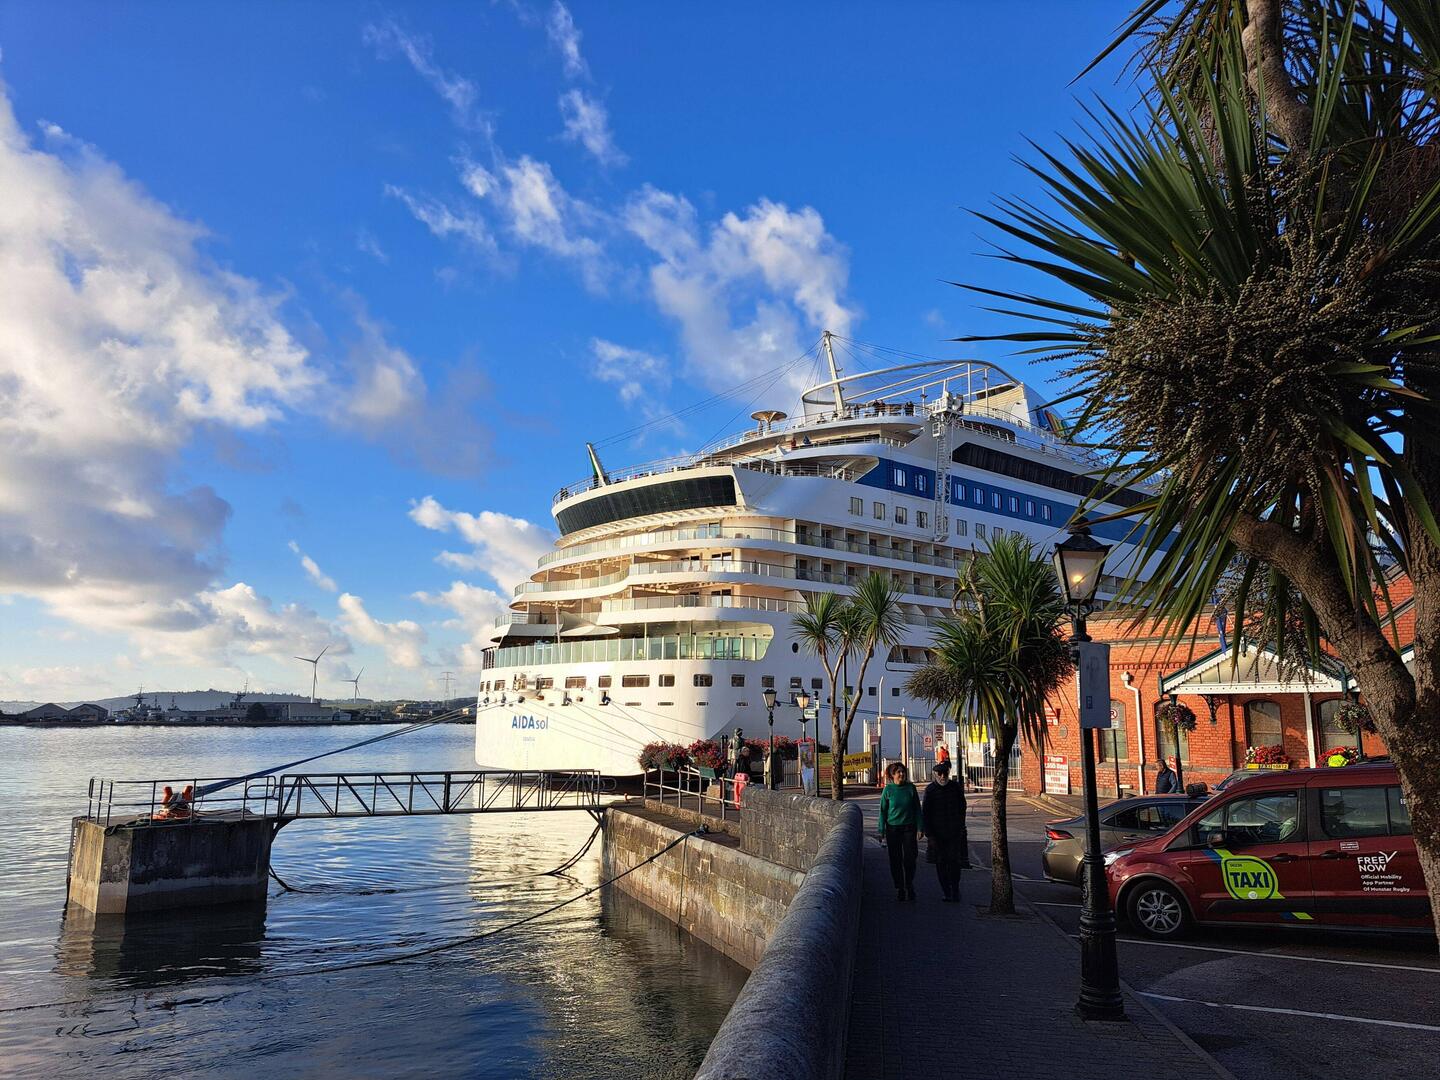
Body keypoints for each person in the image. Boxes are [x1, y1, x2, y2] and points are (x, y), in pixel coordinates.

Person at [923, 761, 969, 901]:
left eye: (945, 773)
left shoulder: (955, 787)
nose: (943, 776)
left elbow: (963, 806)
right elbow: (926, 812)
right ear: (935, 774)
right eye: (940, 773)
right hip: (937, 834)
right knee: (941, 862)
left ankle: (955, 889)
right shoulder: (930, 790)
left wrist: (961, 825)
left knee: (954, 862)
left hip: (954, 832)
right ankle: (946, 891)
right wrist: (929, 834)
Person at [877, 762, 924, 900]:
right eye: (898, 772)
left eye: (903, 772)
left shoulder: (911, 788)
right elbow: (882, 811)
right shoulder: (888, 790)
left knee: (910, 858)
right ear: (892, 775)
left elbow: (917, 809)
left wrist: (920, 827)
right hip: (893, 829)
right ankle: (900, 887)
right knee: (895, 859)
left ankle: (909, 883)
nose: (901, 774)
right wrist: (881, 830)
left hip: (909, 828)